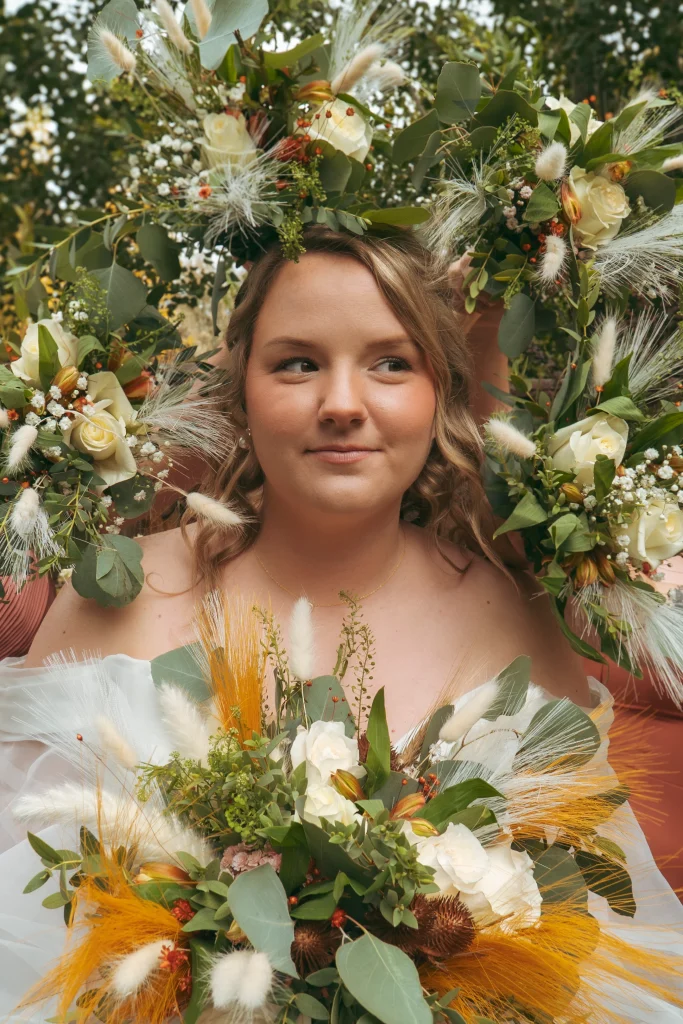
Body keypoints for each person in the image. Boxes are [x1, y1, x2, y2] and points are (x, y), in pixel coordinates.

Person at [1, 228, 682, 1020]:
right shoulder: (116, 602)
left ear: (440, 393)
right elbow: (20, 890)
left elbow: (582, 943)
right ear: (241, 388)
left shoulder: (517, 622)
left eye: (392, 362)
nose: (342, 404)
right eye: (297, 362)